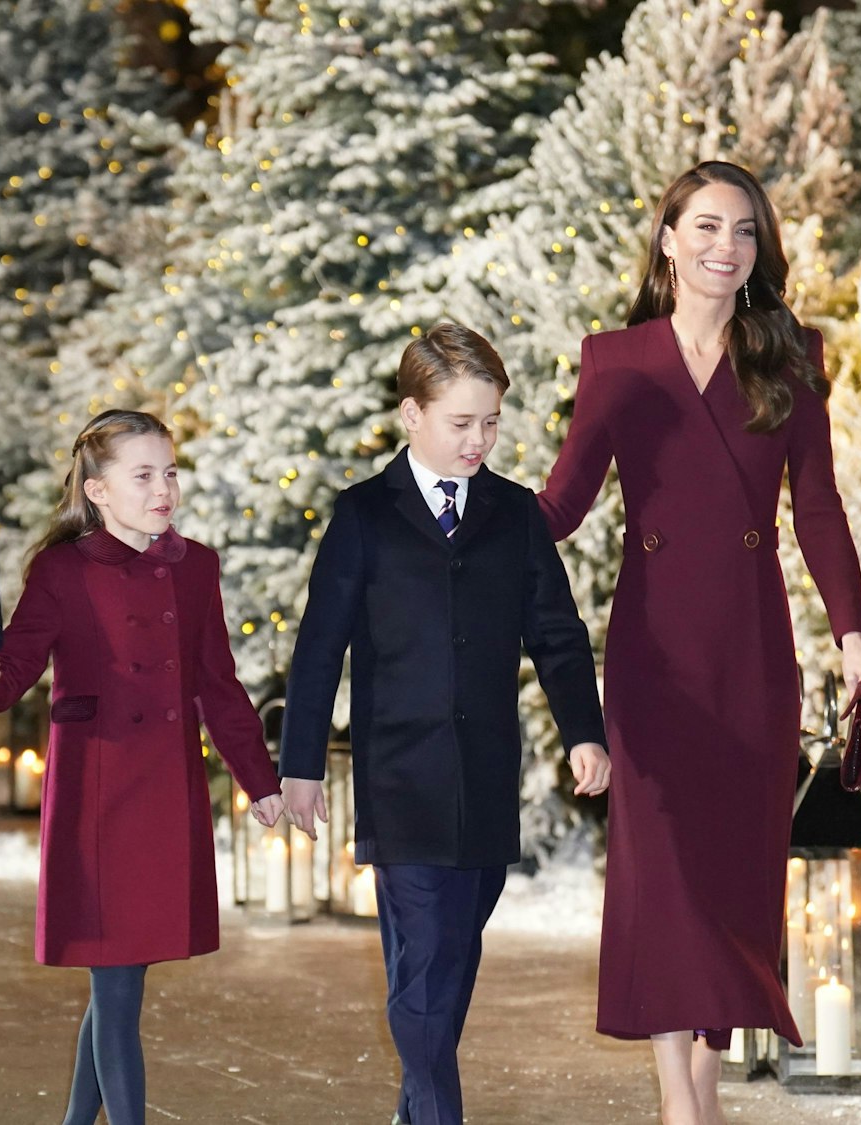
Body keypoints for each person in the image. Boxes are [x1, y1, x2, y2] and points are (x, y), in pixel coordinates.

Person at [536, 161, 861, 1125]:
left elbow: (816, 509)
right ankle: (682, 1108)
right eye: (705, 226)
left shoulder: (791, 355)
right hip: (653, 656)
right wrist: (458, 500)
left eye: (742, 232)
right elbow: (562, 506)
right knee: (665, 877)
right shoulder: (614, 359)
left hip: (751, 653)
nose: (723, 247)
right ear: (668, 238)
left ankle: (696, 1100)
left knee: (731, 877)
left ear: (757, 250)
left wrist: (854, 636)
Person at [277, 324, 612, 1125]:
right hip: (401, 779)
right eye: (461, 422)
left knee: (446, 964)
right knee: (427, 962)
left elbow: (558, 635)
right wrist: (300, 763)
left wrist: (585, 732)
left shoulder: (517, 514)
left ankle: (412, 1104)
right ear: (412, 415)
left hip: (488, 778)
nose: (479, 439)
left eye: (491, 422)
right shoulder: (364, 516)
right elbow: (320, 645)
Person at [0, 409, 286, 1125]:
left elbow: (217, 684)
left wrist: (259, 779)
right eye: (144, 474)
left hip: (165, 792)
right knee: (118, 985)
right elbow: (16, 667)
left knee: (119, 983)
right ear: (97, 490)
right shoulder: (62, 570)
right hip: (98, 798)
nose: (163, 487)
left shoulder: (196, 568)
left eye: (170, 471)